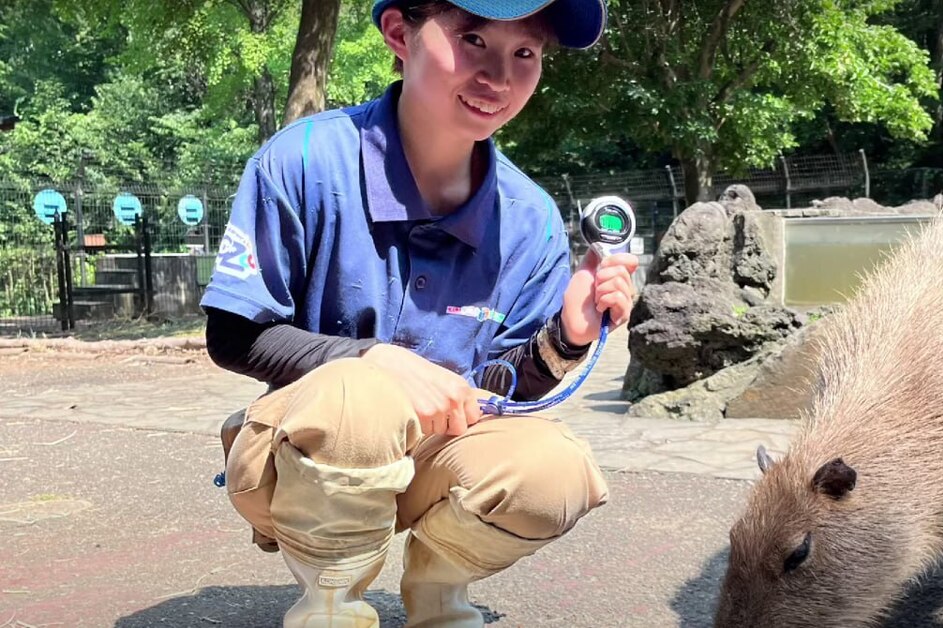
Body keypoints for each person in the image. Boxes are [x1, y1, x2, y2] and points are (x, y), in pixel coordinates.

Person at [200, 1, 638, 626]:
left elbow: (496, 391)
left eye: (525, 53)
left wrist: (566, 337)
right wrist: (373, 360)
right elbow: (234, 333)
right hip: (303, 460)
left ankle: (438, 593)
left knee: (553, 468)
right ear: (399, 33)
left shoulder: (530, 217)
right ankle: (331, 604)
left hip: (436, 457)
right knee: (361, 394)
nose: (499, 77)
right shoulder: (303, 160)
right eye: (473, 39)